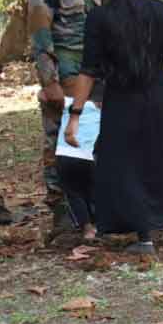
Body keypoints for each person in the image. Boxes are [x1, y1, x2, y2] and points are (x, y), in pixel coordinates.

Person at [64, 0, 163, 255]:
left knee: (128, 165)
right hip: (158, 99)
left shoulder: (100, 18)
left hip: (121, 103)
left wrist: (74, 116)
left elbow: (88, 71)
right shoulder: (159, 10)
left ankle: (145, 238)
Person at [28, 0, 119, 239]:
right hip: (63, 77)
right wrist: (48, 81)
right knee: (59, 145)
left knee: (94, 144)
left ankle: (95, 213)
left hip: (97, 78)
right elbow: (40, 36)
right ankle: (62, 216)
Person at [55, 84, 104, 242]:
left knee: (74, 194)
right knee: (91, 192)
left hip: (65, 155)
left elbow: (44, 95)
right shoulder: (102, 113)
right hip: (88, 158)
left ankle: (87, 229)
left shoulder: (70, 104)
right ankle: (98, 226)